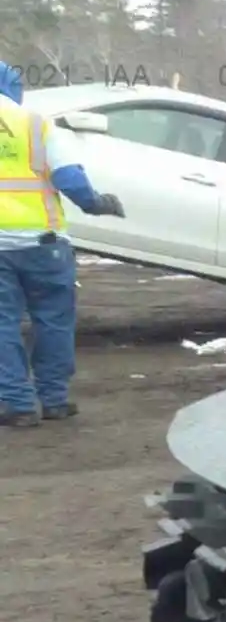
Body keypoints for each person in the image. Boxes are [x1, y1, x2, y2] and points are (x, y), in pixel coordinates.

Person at [0, 61, 124, 428]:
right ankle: (54, 400)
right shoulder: (34, 124)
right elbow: (68, 177)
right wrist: (96, 203)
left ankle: (17, 405)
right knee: (53, 320)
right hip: (44, 243)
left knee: (2, 326)